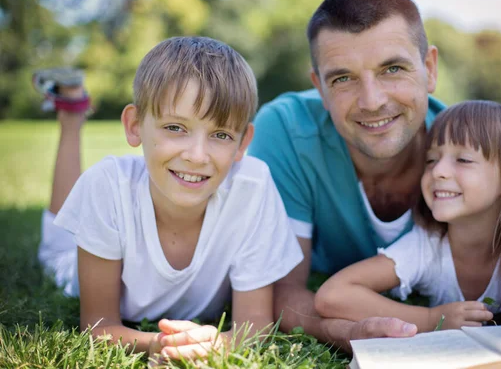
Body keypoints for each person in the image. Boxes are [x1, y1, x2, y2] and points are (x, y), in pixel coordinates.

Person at [247, 0, 501, 350]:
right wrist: (349, 333)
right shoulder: (285, 131)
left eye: (393, 68)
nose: (372, 101)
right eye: (343, 78)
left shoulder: (475, 145)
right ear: (319, 87)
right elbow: (283, 293)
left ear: (429, 69)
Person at [36, 36, 303, 362]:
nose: (196, 155)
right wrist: (157, 345)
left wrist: (221, 343)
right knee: (58, 244)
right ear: (135, 126)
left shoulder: (252, 187)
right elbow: (98, 327)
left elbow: (254, 327)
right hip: (72, 262)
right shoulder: (107, 186)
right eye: (175, 127)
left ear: (242, 143)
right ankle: (72, 113)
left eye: (221, 135)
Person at [314, 100, 501, 332]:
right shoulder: (426, 245)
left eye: (462, 159)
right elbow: (333, 295)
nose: (438, 171)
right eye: (431, 159)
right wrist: (429, 320)